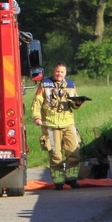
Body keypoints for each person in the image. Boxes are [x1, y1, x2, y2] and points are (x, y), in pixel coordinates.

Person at [31, 62, 85, 190]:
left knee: (74, 152)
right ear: (53, 72)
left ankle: (72, 179)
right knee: (55, 155)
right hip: (51, 124)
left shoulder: (71, 85)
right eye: (57, 72)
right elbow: (37, 102)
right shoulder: (44, 84)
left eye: (61, 72)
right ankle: (59, 182)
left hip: (68, 123)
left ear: (65, 73)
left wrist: (77, 103)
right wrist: (37, 117)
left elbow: (73, 105)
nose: (59, 74)